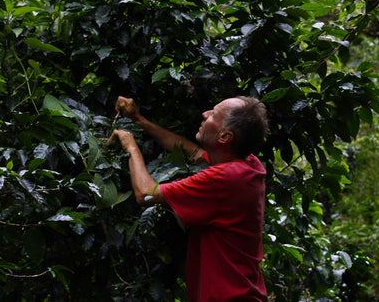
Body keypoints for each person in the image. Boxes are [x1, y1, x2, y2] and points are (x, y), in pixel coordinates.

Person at [109, 96, 269, 302]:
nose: (205, 114)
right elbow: (192, 152)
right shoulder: (248, 165)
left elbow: (145, 194)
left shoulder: (224, 179)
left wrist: (131, 147)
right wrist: (139, 120)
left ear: (224, 137)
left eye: (213, 114)